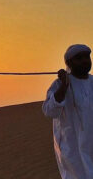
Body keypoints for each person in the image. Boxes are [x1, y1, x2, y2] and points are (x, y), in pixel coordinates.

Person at [42, 44, 93, 179]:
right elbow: (49, 111)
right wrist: (64, 86)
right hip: (72, 147)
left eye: (87, 56)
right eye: (79, 58)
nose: (85, 60)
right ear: (69, 63)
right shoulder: (59, 84)